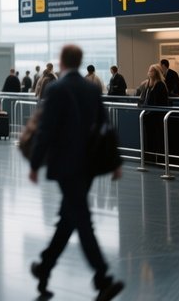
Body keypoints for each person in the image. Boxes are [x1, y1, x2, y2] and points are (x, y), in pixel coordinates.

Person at [29, 44, 123, 301]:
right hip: (89, 165)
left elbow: (46, 129)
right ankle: (48, 268)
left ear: (62, 61)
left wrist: (35, 163)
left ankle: (100, 277)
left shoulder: (57, 89)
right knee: (73, 217)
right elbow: (106, 126)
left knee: (76, 219)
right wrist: (115, 162)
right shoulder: (91, 89)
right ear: (80, 61)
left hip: (65, 165)